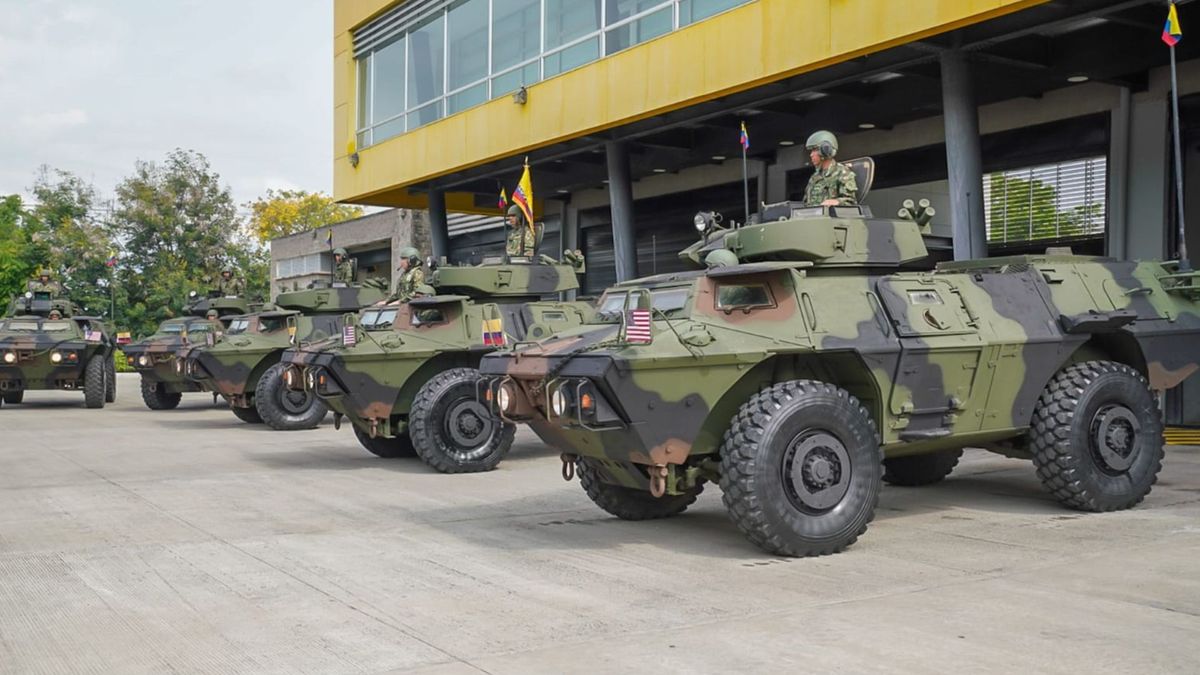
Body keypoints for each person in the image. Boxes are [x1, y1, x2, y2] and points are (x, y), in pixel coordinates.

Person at [803, 130, 858, 207]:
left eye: (814, 150)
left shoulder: (842, 172)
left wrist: (836, 202)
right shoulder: (814, 177)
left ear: (825, 150)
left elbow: (851, 201)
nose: (811, 155)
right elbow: (806, 203)